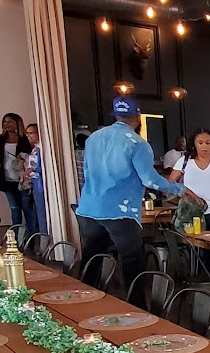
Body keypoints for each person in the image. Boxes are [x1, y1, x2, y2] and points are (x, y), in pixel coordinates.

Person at [76, 96, 200, 298]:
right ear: (138, 117)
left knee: (91, 260)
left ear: (116, 115)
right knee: (132, 262)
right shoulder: (137, 143)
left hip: (89, 208)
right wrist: (179, 188)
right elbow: (149, 180)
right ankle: (136, 308)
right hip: (120, 212)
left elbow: (87, 172)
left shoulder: (93, 139)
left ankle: (83, 302)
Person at [167, 128, 210, 231]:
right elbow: (171, 183)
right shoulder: (184, 162)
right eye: (200, 143)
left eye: (207, 143)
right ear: (194, 144)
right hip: (191, 212)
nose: (204, 146)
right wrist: (183, 193)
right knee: (192, 241)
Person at [0, 112, 39, 240]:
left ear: (17, 123)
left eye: (10, 121)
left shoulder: (24, 138)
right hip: (7, 179)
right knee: (15, 208)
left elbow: (33, 156)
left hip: (24, 180)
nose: (7, 124)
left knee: (27, 208)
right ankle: (15, 239)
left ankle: (31, 238)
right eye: (5, 121)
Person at [24, 123, 47, 235]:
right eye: (27, 133)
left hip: (41, 186)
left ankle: (45, 239)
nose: (28, 136)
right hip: (36, 186)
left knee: (42, 215)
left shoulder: (42, 149)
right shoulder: (35, 149)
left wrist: (32, 169)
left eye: (31, 133)